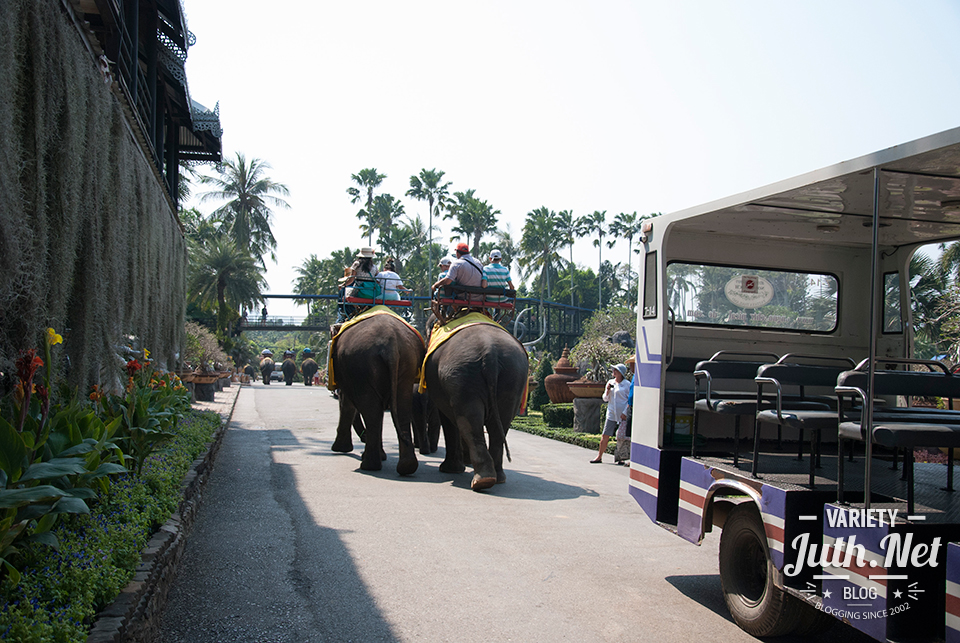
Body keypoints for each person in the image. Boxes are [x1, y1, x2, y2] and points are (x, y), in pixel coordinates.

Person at [591, 363, 630, 463]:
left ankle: (621, 458)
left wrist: (625, 412)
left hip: (622, 415)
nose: (614, 372)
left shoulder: (627, 384)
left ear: (621, 373)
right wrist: (607, 390)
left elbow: (629, 400)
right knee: (605, 435)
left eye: (616, 370)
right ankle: (599, 456)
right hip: (611, 413)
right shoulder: (610, 382)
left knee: (621, 437)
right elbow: (605, 398)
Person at [614, 358, 635, 465]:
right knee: (627, 434)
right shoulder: (634, 377)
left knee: (630, 436)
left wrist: (625, 412)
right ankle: (622, 457)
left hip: (630, 409)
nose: (630, 367)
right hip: (628, 409)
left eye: (632, 364)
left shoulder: (628, 382)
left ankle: (631, 457)